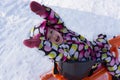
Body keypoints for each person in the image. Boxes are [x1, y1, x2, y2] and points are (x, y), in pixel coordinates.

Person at [23, 1, 120, 79]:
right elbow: (54, 51)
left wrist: (43, 11)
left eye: (52, 32)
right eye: (49, 39)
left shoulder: (63, 31)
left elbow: (55, 20)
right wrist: (40, 44)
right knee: (107, 56)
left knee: (101, 37)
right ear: (49, 44)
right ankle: (117, 74)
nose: (53, 36)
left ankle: (103, 45)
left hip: (89, 47)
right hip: (89, 62)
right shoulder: (62, 52)